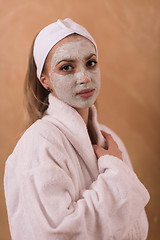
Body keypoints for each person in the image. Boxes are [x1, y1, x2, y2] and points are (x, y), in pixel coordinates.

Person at [4, 18, 150, 240]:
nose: (84, 77)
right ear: (45, 80)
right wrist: (117, 175)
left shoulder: (111, 141)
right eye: (66, 67)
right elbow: (57, 234)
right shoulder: (39, 142)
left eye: (91, 63)